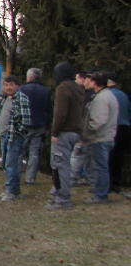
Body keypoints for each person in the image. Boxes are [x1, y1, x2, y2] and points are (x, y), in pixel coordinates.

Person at [46, 62, 84, 210]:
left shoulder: (63, 88)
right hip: (76, 131)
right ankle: (60, 194)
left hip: (64, 131)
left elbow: (60, 113)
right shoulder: (78, 88)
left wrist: (55, 132)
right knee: (65, 164)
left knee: (59, 165)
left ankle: (62, 198)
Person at [82, 71, 119, 203]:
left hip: (100, 137)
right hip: (107, 136)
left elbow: (99, 120)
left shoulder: (101, 98)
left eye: (91, 80)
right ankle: (100, 192)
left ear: (96, 83)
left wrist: (87, 131)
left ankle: (101, 194)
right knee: (101, 166)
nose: (88, 82)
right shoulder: (108, 95)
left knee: (100, 167)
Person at [0, 75, 30, 201]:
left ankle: (11, 191)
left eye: (11, 85)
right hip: (4, 135)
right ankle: (12, 188)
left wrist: (17, 132)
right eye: (6, 85)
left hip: (14, 137)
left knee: (12, 164)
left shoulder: (21, 98)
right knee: (5, 163)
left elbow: (26, 121)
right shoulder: (5, 98)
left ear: (17, 86)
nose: (8, 87)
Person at [19, 67, 51, 185]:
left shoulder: (22, 89)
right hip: (39, 125)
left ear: (29, 77)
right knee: (34, 152)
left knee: (20, 151)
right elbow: (48, 110)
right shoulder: (46, 91)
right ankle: (30, 178)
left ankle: (16, 174)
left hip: (23, 125)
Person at [105, 73, 129, 196]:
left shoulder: (108, 95)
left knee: (109, 156)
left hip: (113, 127)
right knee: (119, 157)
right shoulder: (124, 95)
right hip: (125, 127)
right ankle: (116, 183)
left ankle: (107, 184)